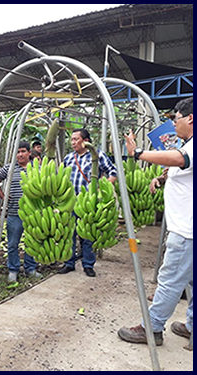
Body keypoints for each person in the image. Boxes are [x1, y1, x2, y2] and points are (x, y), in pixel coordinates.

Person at [118, 97, 193, 346]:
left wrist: (138, 153)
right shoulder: (189, 145)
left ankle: (152, 327)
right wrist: (161, 179)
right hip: (188, 228)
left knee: (170, 280)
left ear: (190, 118)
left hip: (186, 231)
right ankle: (191, 324)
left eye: (176, 119)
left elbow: (180, 160)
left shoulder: (189, 148)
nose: (174, 124)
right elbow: (181, 169)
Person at [58, 128, 117, 277]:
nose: (73, 143)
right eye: (71, 139)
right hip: (71, 202)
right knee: (69, 233)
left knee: (87, 235)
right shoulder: (69, 158)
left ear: (86, 141)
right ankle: (69, 263)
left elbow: (113, 172)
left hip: (88, 202)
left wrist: (103, 189)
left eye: (76, 139)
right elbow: (61, 177)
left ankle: (88, 264)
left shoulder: (97, 155)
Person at [0, 141, 41, 282]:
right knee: (12, 243)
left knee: (31, 241)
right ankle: (13, 269)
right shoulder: (9, 168)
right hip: (14, 212)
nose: (20, 154)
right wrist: (2, 196)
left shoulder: (37, 168)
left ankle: (30, 268)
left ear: (29, 153)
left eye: (23, 151)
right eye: (18, 152)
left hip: (32, 213)